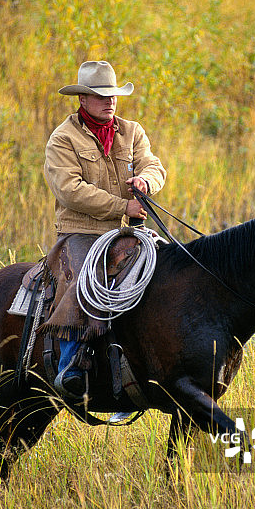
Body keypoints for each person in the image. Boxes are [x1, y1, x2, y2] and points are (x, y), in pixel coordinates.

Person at [43, 60, 166, 401]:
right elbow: (69, 189)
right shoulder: (63, 138)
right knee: (82, 277)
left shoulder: (132, 131)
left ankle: (144, 364)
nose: (109, 101)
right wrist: (121, 207)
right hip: (79, 231)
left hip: (125, 233)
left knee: (165, 270)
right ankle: (70, 365)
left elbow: (154, 165)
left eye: (112, 95)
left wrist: (146, 182)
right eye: (100, 95)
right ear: (82, 100)